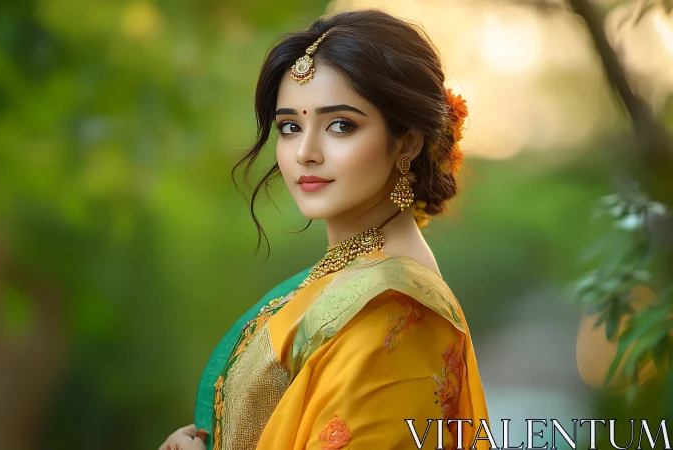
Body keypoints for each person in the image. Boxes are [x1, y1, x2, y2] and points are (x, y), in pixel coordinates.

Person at [159, 8, 490, 450]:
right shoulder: (350, 271)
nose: (305, 153)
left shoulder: (394, 312)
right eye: (290, 127)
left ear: (407, 140)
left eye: (340, 125)